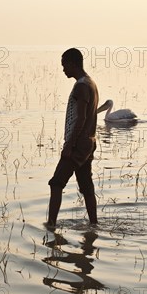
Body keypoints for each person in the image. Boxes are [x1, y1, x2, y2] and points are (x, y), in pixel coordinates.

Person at [47, 48, 99, 225]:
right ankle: (94, 225)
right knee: (86, 187)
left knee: (56, 183)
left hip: (79, 144)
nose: (63, 70)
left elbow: (81, 118)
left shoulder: (82, 86)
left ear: (72, 63)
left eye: (64, 65)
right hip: (89, 143)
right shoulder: (90, 83)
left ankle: (51, 225)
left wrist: (70, 144)